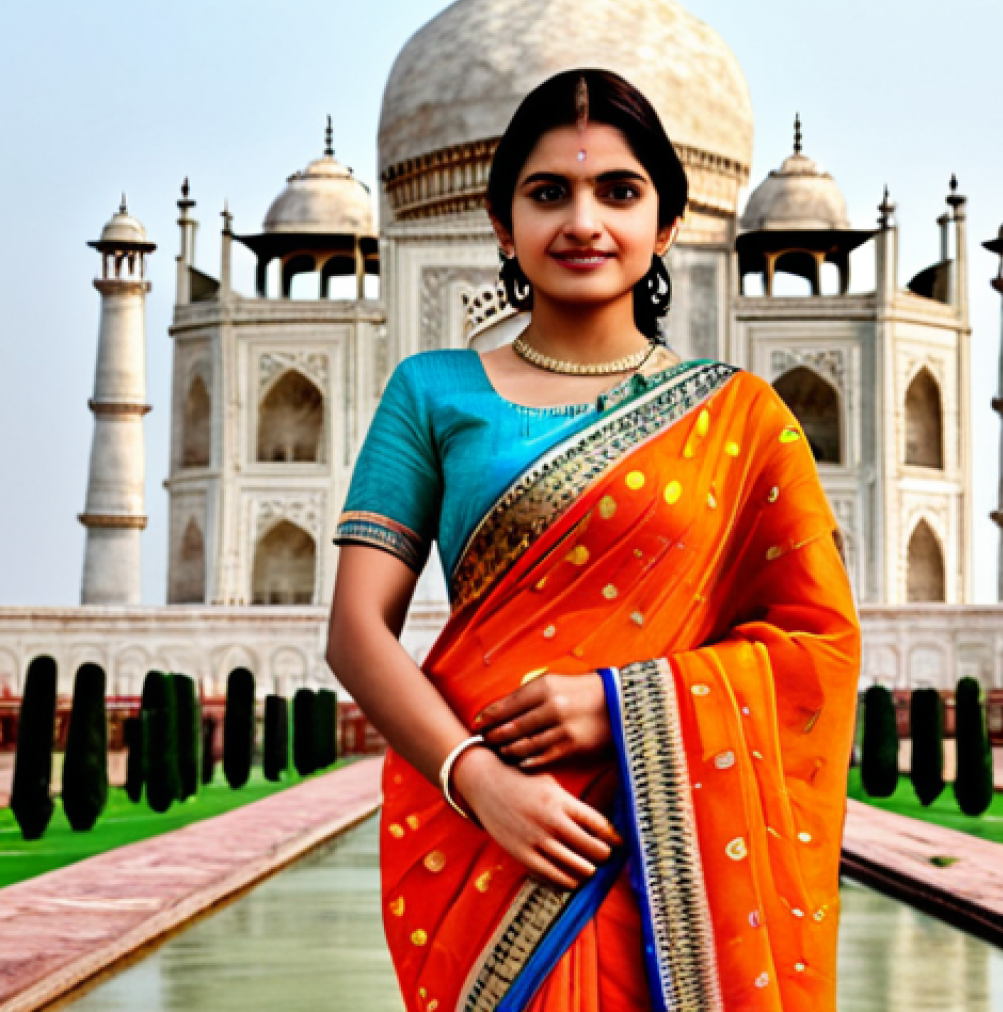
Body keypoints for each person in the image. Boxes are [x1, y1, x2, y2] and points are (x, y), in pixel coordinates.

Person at [327, 68, 860, 1012]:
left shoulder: (741, 416)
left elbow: (818, 647)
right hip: (489, 838)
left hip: (662, 847)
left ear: (667, 224)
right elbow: (356, 632)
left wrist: (619, 704)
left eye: (618, 191)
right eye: (548, 193)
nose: (583, 222)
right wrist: (476, 780)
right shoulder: (431, 389)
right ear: (501, 222)